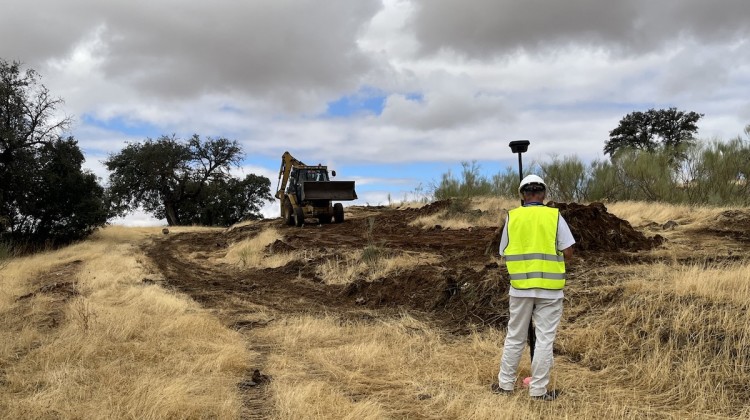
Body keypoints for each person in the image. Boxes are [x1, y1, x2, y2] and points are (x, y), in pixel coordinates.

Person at [492, 174, 575, 401]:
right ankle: (538, 391)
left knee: (515, 337)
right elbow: (568, 251)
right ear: (544, 194)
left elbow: (503, 252)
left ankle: (505, 385)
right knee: (544, 339)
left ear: (522, 196)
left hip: (520, 288)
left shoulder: (513, 217)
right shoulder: (554, 216)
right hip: (550, 288)